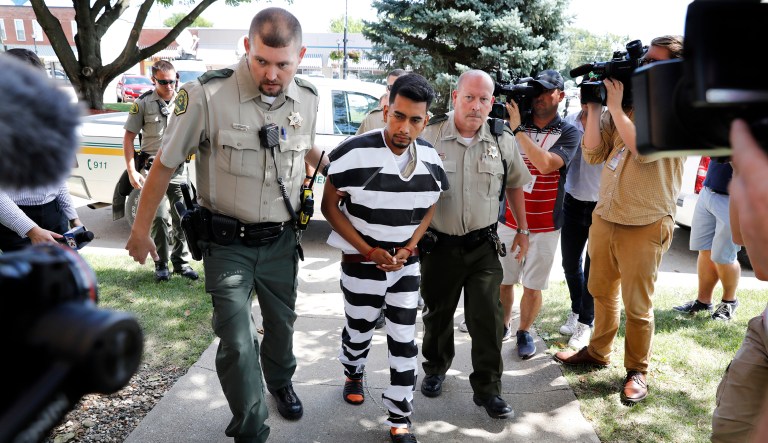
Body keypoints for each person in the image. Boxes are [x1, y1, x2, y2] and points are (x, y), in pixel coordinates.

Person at [125, 8, 328, 443]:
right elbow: (163, 165)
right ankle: (252, 429)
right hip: (227, 245)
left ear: (301, 56)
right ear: (246, 49)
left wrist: (340, 174)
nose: (272, 74)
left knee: (282, 325)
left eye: (284, 64)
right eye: (261, 61)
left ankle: (280, 380)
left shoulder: (308, 97)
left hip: (281, 241)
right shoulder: (206, 95)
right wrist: (141, 231)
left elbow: (307, 148)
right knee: (237, 341)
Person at [553, 35, 685, 406]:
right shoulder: (621, 108)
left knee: (638, 305)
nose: (645, 67)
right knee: (601, 292)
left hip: (645, 220)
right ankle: (597, 351)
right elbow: (593, 153)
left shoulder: (676, 109)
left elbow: (644, 148)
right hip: (606, 216)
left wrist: (615, 106)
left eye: (655, 62)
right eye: (645, 60)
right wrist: (595, 107)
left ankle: (637, 371)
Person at [322, 73, 447, 443]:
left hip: (405, 265)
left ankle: (400, 417)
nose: (404, 128)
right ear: (385, 107)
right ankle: (353, 371)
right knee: (360, 329)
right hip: (361, 262)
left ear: (426, 120)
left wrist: (408, 249)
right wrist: (367, 250)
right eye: (397, 115)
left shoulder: (430, 158)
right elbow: (330, 207)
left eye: (415, 120)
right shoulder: (352, 153)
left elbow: (431, 204)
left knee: (403, 338)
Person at [418, 69, 532, 419]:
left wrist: (524, 231)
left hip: (483, 246)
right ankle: (436, 367)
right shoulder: (431, 135)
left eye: (484, 99)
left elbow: (515, 184)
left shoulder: (502, 139)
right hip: (439, 245)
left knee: (487, 318)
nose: (476, 105)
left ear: (491, 102)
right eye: (469, 97)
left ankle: (488, 390)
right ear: (455, 97)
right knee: (437, 314)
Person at [500, 70, 580, 359]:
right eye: (536, 92)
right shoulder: (512, 123)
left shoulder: (570, 131)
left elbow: (546, 164)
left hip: (545, 223)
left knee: (533, 285)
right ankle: (504, 324)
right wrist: (513, 126)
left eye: (547, 92)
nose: (539, 98)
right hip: (508, 218)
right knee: (504, 279)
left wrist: (518, 131)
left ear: (561, 95)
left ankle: (524, 331)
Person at [710, 119, 768, 442]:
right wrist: (738, 166)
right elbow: (737, 235)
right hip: (764, 331)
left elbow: (763, 268)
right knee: (728, 428)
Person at [122, 60, 198, 282]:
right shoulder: (143, 103)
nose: (169, 86)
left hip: (178, 170)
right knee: (159, 218)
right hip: (151, 171)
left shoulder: (185, 102)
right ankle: (161, 264)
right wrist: (131, 171)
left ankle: (180, 263)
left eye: (173, 81)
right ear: (153, 80)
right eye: (163, 82)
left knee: (183, 217)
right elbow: (128, 138)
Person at [0, 48, 82, 252]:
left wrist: (73, 217)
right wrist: (31, 230)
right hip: (16, 222)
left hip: (54, 216)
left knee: (60, 280)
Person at [558, 97, 604, 349]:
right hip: (573, 202)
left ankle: (586, 322)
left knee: (592, 269)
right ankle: (577, 309)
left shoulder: (609, 122)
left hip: (601, 207)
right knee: (569, 263)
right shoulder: (570, 122)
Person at [673, 159, 740, 320]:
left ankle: (729, 302)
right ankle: (703, 302)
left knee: (724, 256)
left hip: (733, 197)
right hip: (708, 191)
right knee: (704, 249)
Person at [355, 68, 408, 135]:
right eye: (392, 88)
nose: (396, 91)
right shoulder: (372, 119)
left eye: (401, 87)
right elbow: (358, 143)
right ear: (387, 89)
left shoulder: (417, 120)